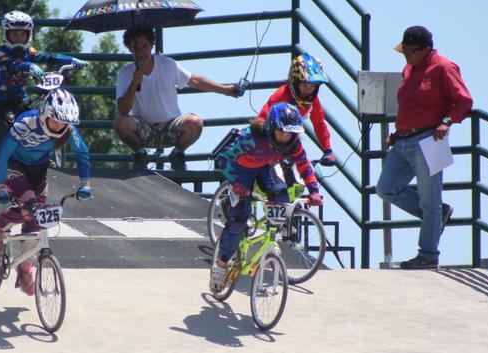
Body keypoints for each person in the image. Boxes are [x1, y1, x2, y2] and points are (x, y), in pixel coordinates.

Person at [375, 26, 473, 269]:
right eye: (404, 51)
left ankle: (428, 254)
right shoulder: (409, 68)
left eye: (410, 52)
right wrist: (397, 133)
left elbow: (464, 100)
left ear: (426, 50)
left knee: (430, 200)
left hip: (431, 139)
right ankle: (437, 215)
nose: (406, 56)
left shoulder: (444, 67)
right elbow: (409, 104)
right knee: (386, 188)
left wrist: (447, 121)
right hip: (403, 140)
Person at [210, 103, 323, 292]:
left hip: (266, 168)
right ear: (271, 127)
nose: (285, 137)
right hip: (241, 171)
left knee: (282, 197)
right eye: (281, 132)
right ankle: (221, 265)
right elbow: (223, 159)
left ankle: (272, 238)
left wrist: (314, 191)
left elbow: (304, 165)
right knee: (239, 219)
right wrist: (236, 182)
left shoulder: (294, 143)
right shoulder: (250, 138)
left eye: (290, 133)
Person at [0, 88, 92, 295]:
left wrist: (85, 184)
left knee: (36, 220)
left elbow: (82, 152)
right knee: (30, 204)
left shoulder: (68, 128)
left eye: (64, 123)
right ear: (45, 114)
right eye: (56, 121)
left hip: (39, 170)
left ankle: (25, 268)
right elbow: (3, 154)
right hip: (14, 165)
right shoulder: (26, 123)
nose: (60, 126)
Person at [114, 23, 240, 170]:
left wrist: (225, 90)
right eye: (136, 48)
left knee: (195, 122)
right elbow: (123, 110)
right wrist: (134, 83)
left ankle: (177, 154)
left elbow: (194, 80)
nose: (141, 52)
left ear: (152, 45)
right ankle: (140, 154)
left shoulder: (167, 64)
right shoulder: (125, 73)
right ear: (130, 49)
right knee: (120, 123)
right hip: (143, 130)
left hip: (171, 127)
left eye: (145, 46)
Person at [0, 11, 86, 148]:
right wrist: (29, 65)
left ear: (28, 35)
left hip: (20, 98)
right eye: (14, 34)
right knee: (5, 123)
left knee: (30, 121)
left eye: (22, 34)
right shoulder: (1, 52)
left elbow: (49, 56)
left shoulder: (30, 52)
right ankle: (1, 152)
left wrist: (70, 60)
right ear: (6, 34)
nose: (19, 38)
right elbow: (12, 65)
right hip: (2, 98)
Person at [258, 52, 335, 199]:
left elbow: (319, 123)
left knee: (298, 186)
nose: (308, 90)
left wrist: (328, 150)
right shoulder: (281, 96)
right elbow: (262, 119)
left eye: (313, 86)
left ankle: (291, 211)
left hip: (290, 143)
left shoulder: (312, 100)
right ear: (294, 81)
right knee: (277, 186)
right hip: (270, 144)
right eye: (304, 85)